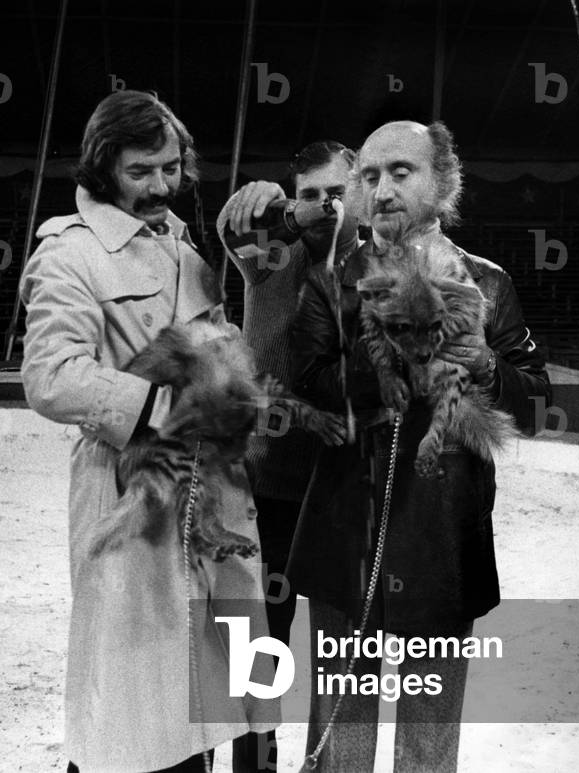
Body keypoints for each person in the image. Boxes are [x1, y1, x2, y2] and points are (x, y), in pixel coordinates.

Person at [19, 90, 278, 773]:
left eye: (171, 166)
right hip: (130, 496)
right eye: (142, 171)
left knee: (209, 699)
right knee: (131, 716)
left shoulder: (179, 243)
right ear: (103, 168)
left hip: (214, 495)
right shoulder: (67, 254)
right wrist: (167, 408)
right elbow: (49, 375)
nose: (162, 184)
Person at [287, 121, 550, 771]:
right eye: (368, 176)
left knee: (428, 741)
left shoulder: (488, 284)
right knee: (340, 734)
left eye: (401, 172)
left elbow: (533, 405)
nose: (381, 190)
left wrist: (480, 362)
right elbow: (307, 389)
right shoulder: (328, 280)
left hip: (440, 537)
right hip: (347, 532)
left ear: (443, 183)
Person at [216, 141, 360, 772]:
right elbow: (229, 227)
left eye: (339, 192)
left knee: (340, 655)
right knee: (259, 649)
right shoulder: (272, 258)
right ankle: (256, 765)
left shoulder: (369, 260)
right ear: (292, 198)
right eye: (311, 194)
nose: (326, 206)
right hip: (268, 484)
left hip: (339, 487)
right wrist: (258, 204)